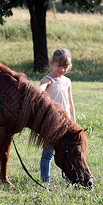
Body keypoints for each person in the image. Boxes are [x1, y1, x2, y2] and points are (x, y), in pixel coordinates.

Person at [38, 48, 76, 185]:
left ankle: (69, 179)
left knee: (67, 152)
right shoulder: (48, 80)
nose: (62, 70)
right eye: (59, 66)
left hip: (66, 123)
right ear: (52, 63)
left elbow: (70, 102)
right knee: (47, 154)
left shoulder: (67, 81)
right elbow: (40, 90)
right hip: (52, 123)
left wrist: (74, 121)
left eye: (65, 67)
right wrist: (40, 89)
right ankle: (45, 182)